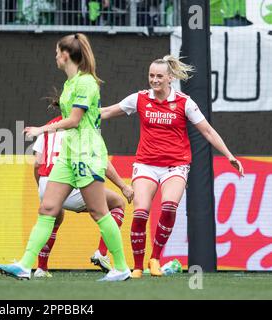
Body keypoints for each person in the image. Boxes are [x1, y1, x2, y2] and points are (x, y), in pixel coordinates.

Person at [0, 33, 131, 282]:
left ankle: (121, 267)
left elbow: (75, 120)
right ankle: (26, 265)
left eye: (57, 52)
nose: (55, 56)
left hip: (86, 153)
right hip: (69, 154)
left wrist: (42, 129)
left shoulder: (86, 83)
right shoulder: (70, 84)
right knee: (47, 208)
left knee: (98, 211)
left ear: (66, 55)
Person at [100, 55, 244, 278]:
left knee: (168, 207)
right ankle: (137, 266)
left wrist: (229, 155)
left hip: (175, 165)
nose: (154, 80)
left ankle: (155, 258)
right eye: (151, 76)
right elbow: (108, 111)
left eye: (159, 76)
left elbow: (207, 131)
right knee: (140, 213)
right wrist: (79, 115)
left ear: (169, 78)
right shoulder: (139, 98)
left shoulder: (185, 102)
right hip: (146, 164)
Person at [32, 112, 134, 277]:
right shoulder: (83, 127)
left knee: (54, 218)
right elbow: (102, 161)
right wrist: (123, 186)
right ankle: (102, 253)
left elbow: (37, 164)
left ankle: (41, 268)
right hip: (67, 182)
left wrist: (43, 190)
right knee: (117, 203)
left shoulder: (48, 127)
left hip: (46, 183)